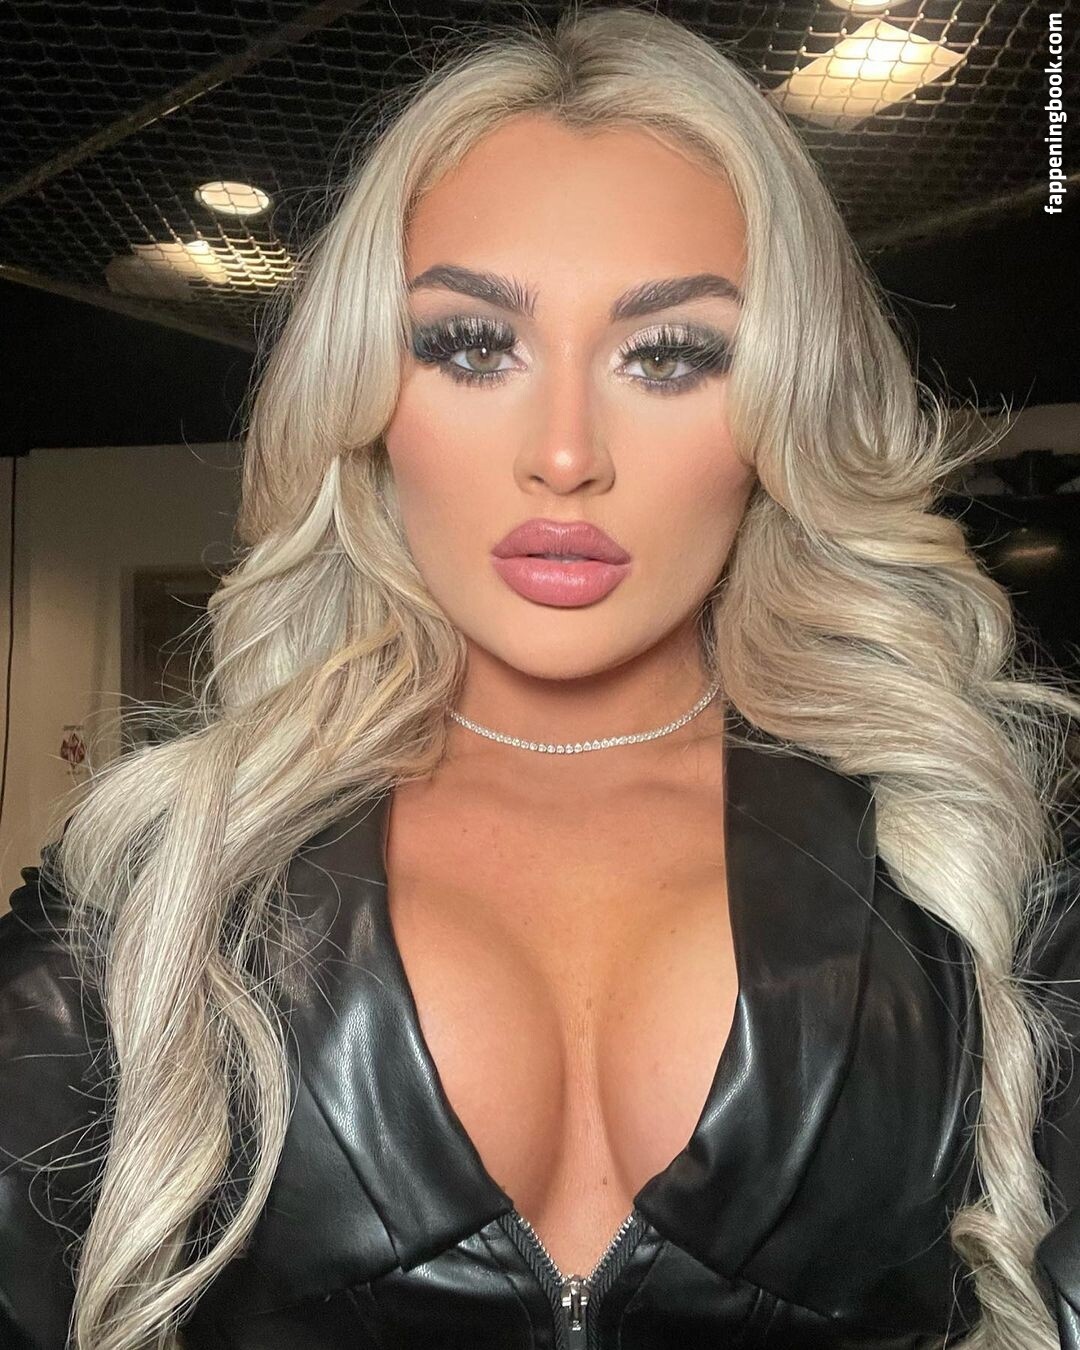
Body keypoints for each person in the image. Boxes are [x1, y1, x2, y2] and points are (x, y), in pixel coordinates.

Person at [2, 6, 1079, 1348]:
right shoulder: (161, 882)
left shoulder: (974, 864)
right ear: (368, 396)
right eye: (472, 344)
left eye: (670, 355)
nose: (565, 455)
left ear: (783, 410)